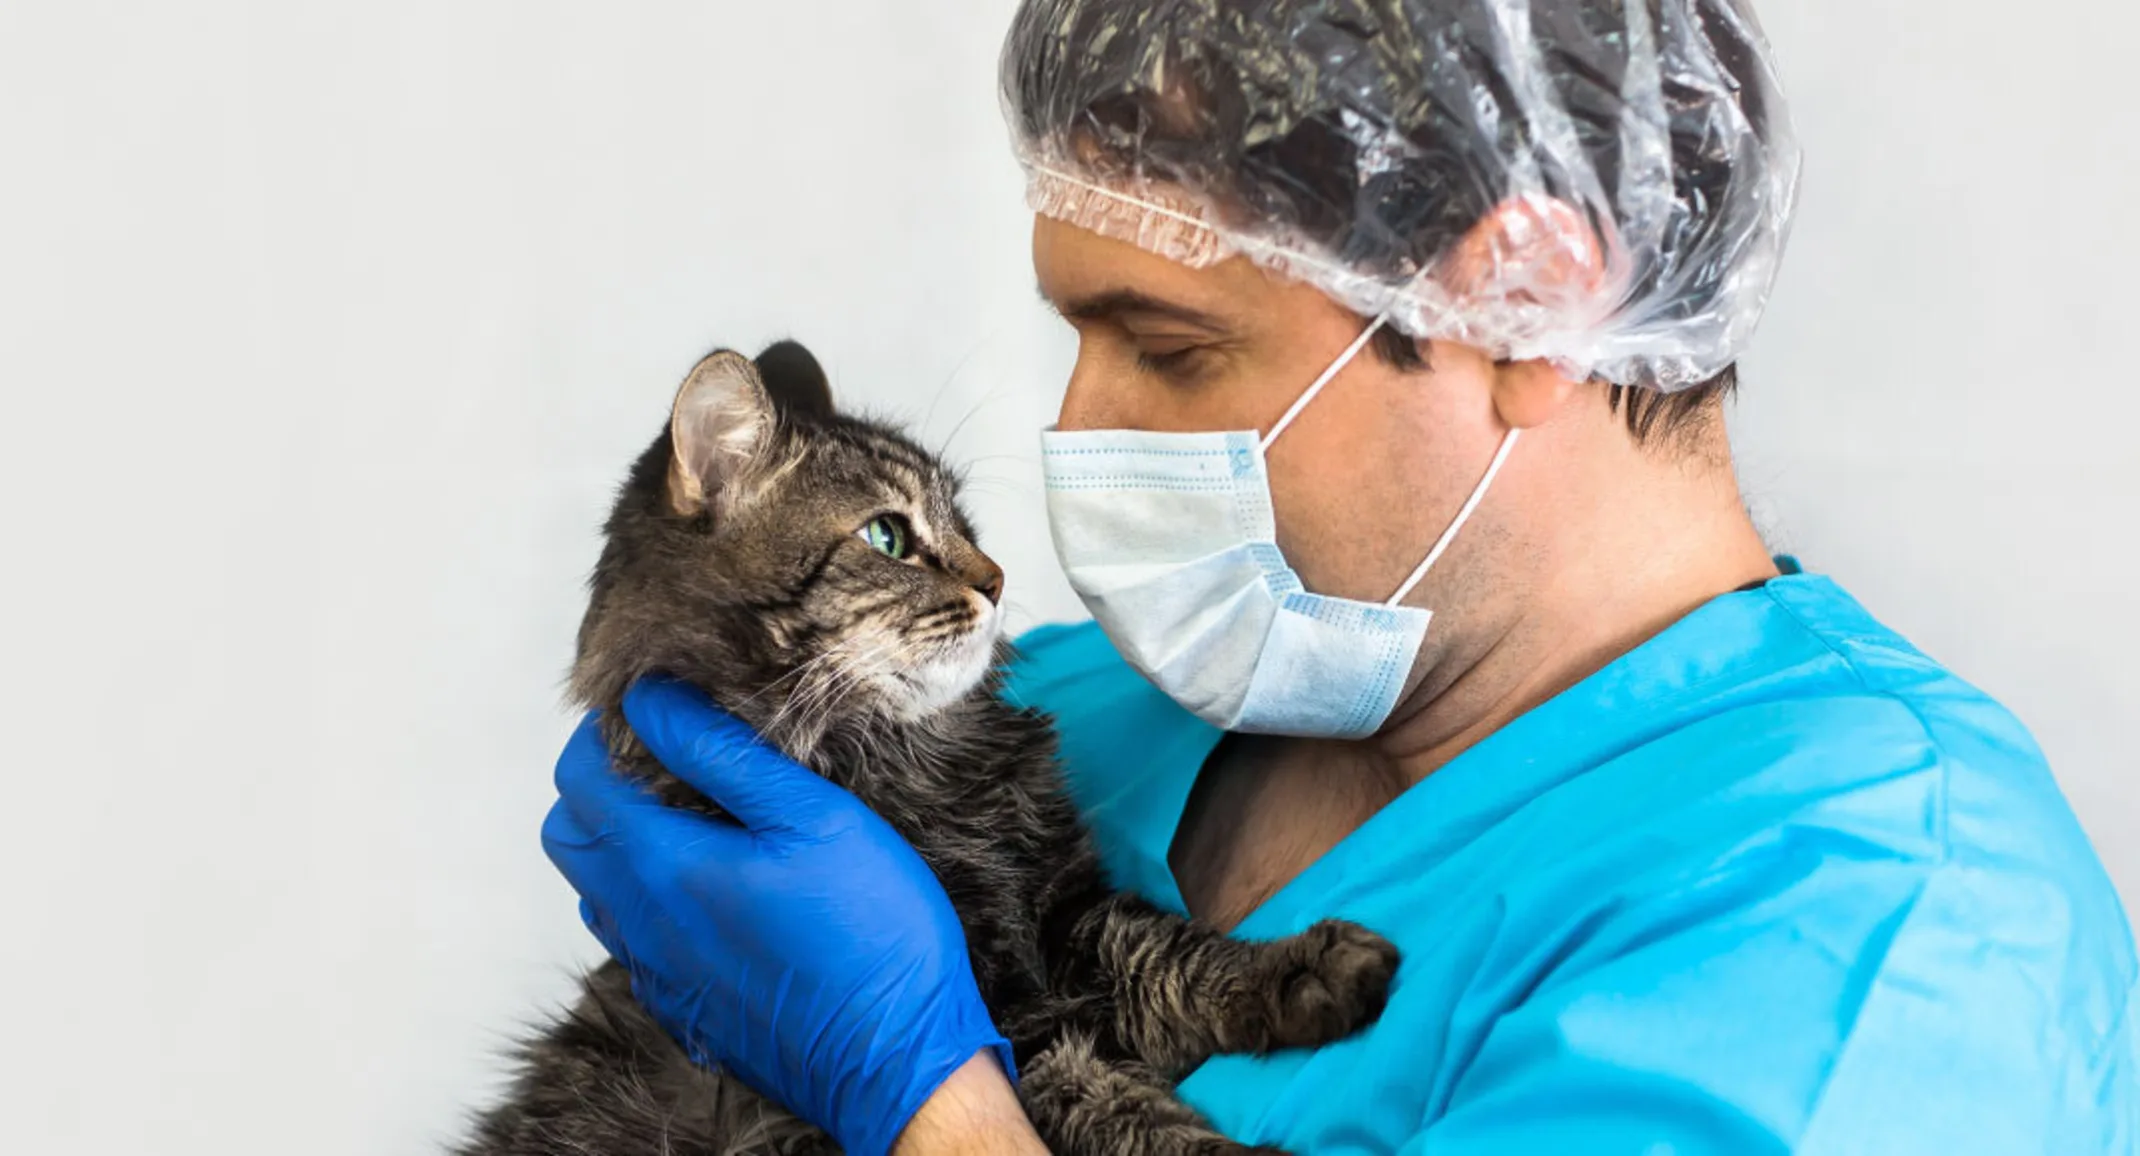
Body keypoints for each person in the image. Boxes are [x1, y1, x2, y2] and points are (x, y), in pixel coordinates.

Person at [539, 1, 2139, 1152]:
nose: (1077, 425)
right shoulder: (1091, 707)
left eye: (1168, 349)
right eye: (1076, 337)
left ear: (1529, 307)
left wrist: (929, 1105)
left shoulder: (1874, 922)